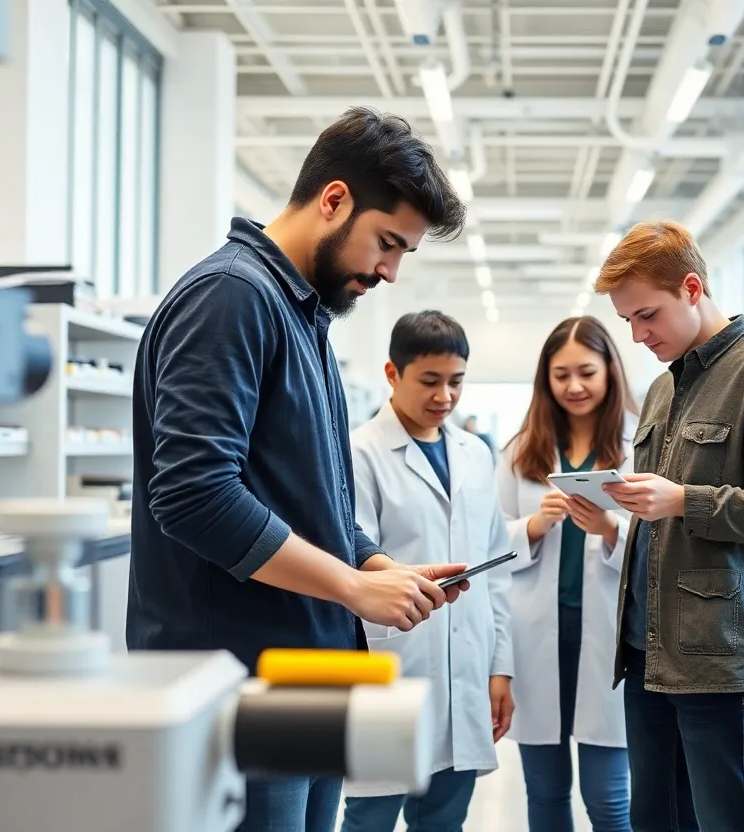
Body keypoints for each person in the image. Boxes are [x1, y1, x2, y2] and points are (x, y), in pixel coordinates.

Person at [126, 107, 471, 832]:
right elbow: (193, 492)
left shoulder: (303, 314)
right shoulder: (232, 297)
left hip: (308, 671)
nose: (390, 270)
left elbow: (306, 493)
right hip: (240, 677)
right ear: (334, 199)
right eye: (387, 243)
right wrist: (349, 585)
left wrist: (373, 564)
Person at [594, 220, 744, 832]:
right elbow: (665, 508)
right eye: (628, 323)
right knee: (657, 818)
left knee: (727, 819)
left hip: (721, 655)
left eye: (648, 315)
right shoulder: (663, 390)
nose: (640, 335)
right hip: (650, 647)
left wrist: (684, 501)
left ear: (692, 288)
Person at [341, 311, 514, 831]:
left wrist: (498, 666)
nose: (445, 397)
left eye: (456, 382)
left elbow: (496, 573)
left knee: (443, 818)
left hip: (466, 664)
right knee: (370, 815)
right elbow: (354, 552)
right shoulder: (360, 452)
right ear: (393, 374)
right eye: (430, 381)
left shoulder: (475, 453)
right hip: (389, 662)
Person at [494, 316, 637, 832]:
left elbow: (662, 547)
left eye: (586, 372)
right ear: (545, 380)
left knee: (610, 798)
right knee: (546, 793)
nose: (574, 386)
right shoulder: (520, 451)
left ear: (610, 372)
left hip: (608, 635)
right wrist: (532, 527)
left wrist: (609, 527)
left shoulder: (640, 444)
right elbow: (491, 547)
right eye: (561, 375)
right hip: (537, 636)